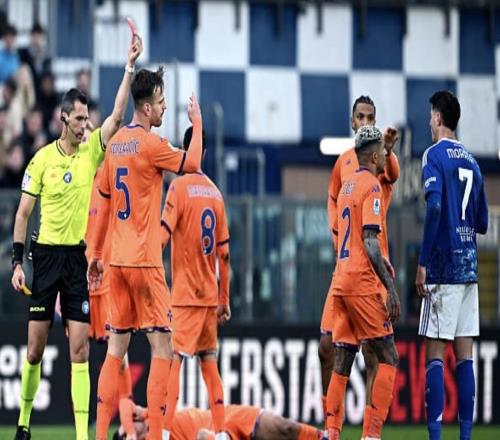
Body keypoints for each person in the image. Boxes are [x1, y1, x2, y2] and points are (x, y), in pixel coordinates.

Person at [10, 35, 143, 440]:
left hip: (75, 262)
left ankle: (83, 436)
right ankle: (23, 423)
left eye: (87, 119)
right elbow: (22, 213)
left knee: (80, 351)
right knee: (34, 351)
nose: (87, 125)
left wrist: (129, 68)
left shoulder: (91, 153)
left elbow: (117, 116)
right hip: (45, 259)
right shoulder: (41, 160)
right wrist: (17, 262)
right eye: (81, 119)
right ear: (64, 119)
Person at [87, 67, 204, 440]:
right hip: (145, 262)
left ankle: (99, 435)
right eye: (161, 101)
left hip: (116, 262)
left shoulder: (114, 144)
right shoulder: (152, 145)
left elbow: (104, 201)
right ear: (147, 107)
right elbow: (193, 164)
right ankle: (155, 436)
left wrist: (96, 254)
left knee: (115, 350)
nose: (165, 107)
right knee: (163, 347)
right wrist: (198, 123)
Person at [318, 96, 399, 435]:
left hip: (343, 278)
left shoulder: (351, 183)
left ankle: (332, 432)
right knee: (388, 357)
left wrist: (389, 150)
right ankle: (371, 433)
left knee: (343, 359)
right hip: (365, 278)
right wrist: (391, 288)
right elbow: (370, 241)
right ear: (374, 155)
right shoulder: (369, 184)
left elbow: (393, 172)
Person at [415, 91, 488, 440]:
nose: (429, 122)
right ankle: (466, 437)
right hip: (469, 268)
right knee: (465, 357)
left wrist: (422, 262)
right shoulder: (473, 162)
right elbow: (483, 222)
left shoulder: (433, 155)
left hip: (443, 268)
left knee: (434, 354)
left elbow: (433, 207)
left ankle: (435, 438)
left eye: (431, 116)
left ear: (438, 117)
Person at [160, 127, 231, 440]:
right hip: (209, 296)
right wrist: (224, 300)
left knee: (174, 361)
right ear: (203, 153)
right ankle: (221, 432)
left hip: (185, 296)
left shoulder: (178, 187)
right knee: (209, 364)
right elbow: (224, 255)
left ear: (184, 150)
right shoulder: (215, 193)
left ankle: (164, 432)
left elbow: (163, 235)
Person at [113, 400, 325, 440]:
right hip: (209, 436)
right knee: (203, 437)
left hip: (224, 418)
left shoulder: (151, 416)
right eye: (127, 430)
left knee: (285, 427)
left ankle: (324, 438)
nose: (131, 424)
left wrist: (142, 415)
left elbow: (124, 403)